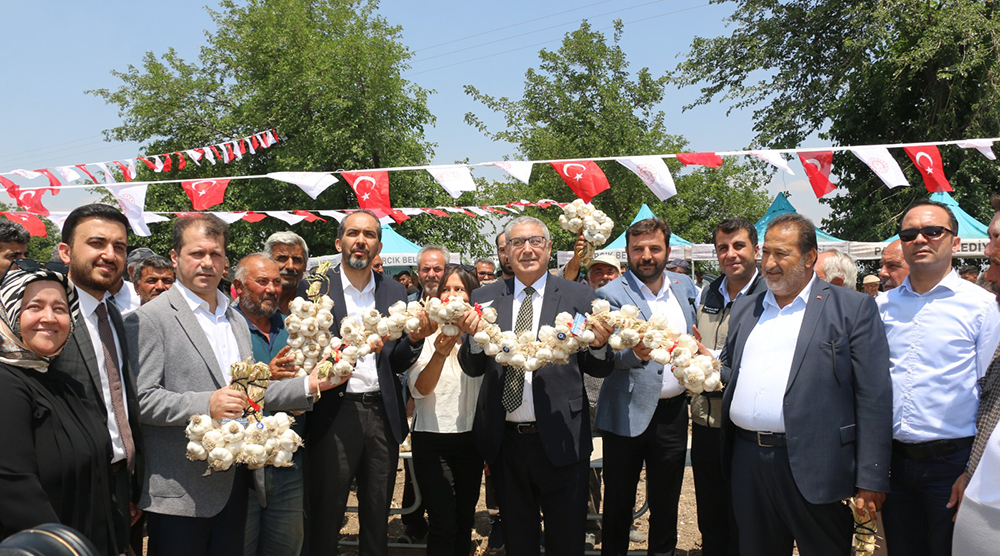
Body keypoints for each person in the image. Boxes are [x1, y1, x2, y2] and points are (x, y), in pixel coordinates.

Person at [127, 215, 335, 556]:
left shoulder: (234, 318)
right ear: (176, 257)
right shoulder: (149, 319)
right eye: (197, 253)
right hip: (181, 492)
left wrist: (312, 384)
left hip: (236, 485)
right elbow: (141, 401)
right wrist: (206, 403)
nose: (207, 263)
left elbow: (250, 395)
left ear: (225, 263)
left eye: (216, 254)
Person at [721, 213, 892, 556]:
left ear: (810, 256)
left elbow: (873, 396)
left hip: (818, 464)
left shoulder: (851, 307)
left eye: (781, 254)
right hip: (748, 461)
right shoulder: (746, 308)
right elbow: (733, 373)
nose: (768, 263)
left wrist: (871, 477)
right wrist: (702, 365)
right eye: (766, 252)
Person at [457, 215, 614, 556]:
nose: (526, 249)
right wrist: (472, 337)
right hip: (506, 442)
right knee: (518, 540)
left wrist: (600, 345)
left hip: (562, 436)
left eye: (535, 241)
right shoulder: (484, 297)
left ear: (548, 247)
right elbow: (471, 368)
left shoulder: (579, 296)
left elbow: (597, 368)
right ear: (506, 252)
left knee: (566, 539)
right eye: (517, 243)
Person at [300, 210, 431, 556]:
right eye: (353, 233)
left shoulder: (393, 290)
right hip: (333, 412)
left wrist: (415, 341)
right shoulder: (315, 287)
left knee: (377, 514)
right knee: (326, 514)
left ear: (379, 246)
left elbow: (397, 360)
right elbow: (303, 350)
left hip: (382, 415)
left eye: (369, 235)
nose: (361, 241)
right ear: (338, 241)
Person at [877, 200, 1000, 556]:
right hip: (894, 463)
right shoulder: (880, 308)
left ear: (955, 243)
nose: (920, 240)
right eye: (909, 234)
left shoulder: (983, 307)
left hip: (953, 463)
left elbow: (989, 390)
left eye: (933, 231)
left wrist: (972, 469)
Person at [594, 218, 699, 556]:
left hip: (673, 414)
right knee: (619, 504)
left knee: (667, 502)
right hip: (626, 411)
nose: (647, 255)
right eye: (638, 249)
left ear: (667, 251)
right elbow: (610, 354)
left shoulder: (685, 288)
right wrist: (634, 354)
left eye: (654, 248)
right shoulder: (608, 294)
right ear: (627, 253)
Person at [0, 268, 120, 555]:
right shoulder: (5, 384)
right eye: (34, 307)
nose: (50, 318)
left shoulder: (64, 382)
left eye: (60, 309)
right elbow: (13, 487)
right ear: (8, 310)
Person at [51, 204, 143, 556]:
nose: (109, 254)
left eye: (119, 246)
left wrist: (131, 482)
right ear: (65, 252)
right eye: (97, 243)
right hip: (67, 489)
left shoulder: (116, 317)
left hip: (119, 482)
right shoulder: (47, 320)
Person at [693, 217, 765, 556]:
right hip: (707, 422)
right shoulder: (708, 292)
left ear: (755, 249)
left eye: (739, 246)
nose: (731, 254)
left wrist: (716, 364)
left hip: (747, 428)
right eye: (723, 247)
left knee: (749, 518)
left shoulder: (771, 294)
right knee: (711, 514)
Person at [407, 266, 485, 556]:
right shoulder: (426, 331)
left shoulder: (482, 333)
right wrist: (440, 354)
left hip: (471, 438)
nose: (452, 295)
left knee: (464, 519)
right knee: (443, 522)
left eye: (459, 289)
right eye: (446, 290)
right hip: (432, 437)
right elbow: (420, 390)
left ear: (472, 295)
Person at [233, 254, 305, 556]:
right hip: (239, 469)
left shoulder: (294, 329)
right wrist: (266, 373)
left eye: (276, 282)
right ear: (238, 286)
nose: (272, 289)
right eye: (262, 281)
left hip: (289, 466)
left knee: (286, 548)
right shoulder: (225, 327)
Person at [949, 194, 1000, 555]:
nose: (989, 274)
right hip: (981, 503)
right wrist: (971, 470)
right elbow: (991, 412)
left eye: (997, 244)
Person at [263, 231, 308, 316]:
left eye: (297, 260)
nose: (290, 266)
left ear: (305, 266)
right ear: (267, 262)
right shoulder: (254, 305)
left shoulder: (314, 305)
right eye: (282, 258)